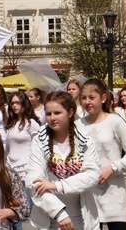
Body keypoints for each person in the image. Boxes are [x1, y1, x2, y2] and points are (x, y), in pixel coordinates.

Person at [26, 91, 100, 230]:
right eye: (48, 114)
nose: (52, 118)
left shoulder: (85, 141)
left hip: (83, 220)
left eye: (57, 113)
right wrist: (59, 213)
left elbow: (92, 175)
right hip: (49, 222)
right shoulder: (39, 141)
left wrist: (56, 186)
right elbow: (33, 182)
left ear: (70, 112)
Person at [80, 79, 126, 229]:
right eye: (84, 98)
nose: (87, 102)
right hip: (88, 195)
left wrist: (113, 167)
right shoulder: (78, 125)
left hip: (114, 193)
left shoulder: (115, 121)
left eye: (91, 97)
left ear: (103, 98)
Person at [5, 92, 41, 184]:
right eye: (12, 103)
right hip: (10, 165)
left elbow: (39, 146)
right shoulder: (11, 124)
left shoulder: (31, 123)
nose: (14, 106)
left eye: (17, 103)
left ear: (24, 104)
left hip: (25, 166)